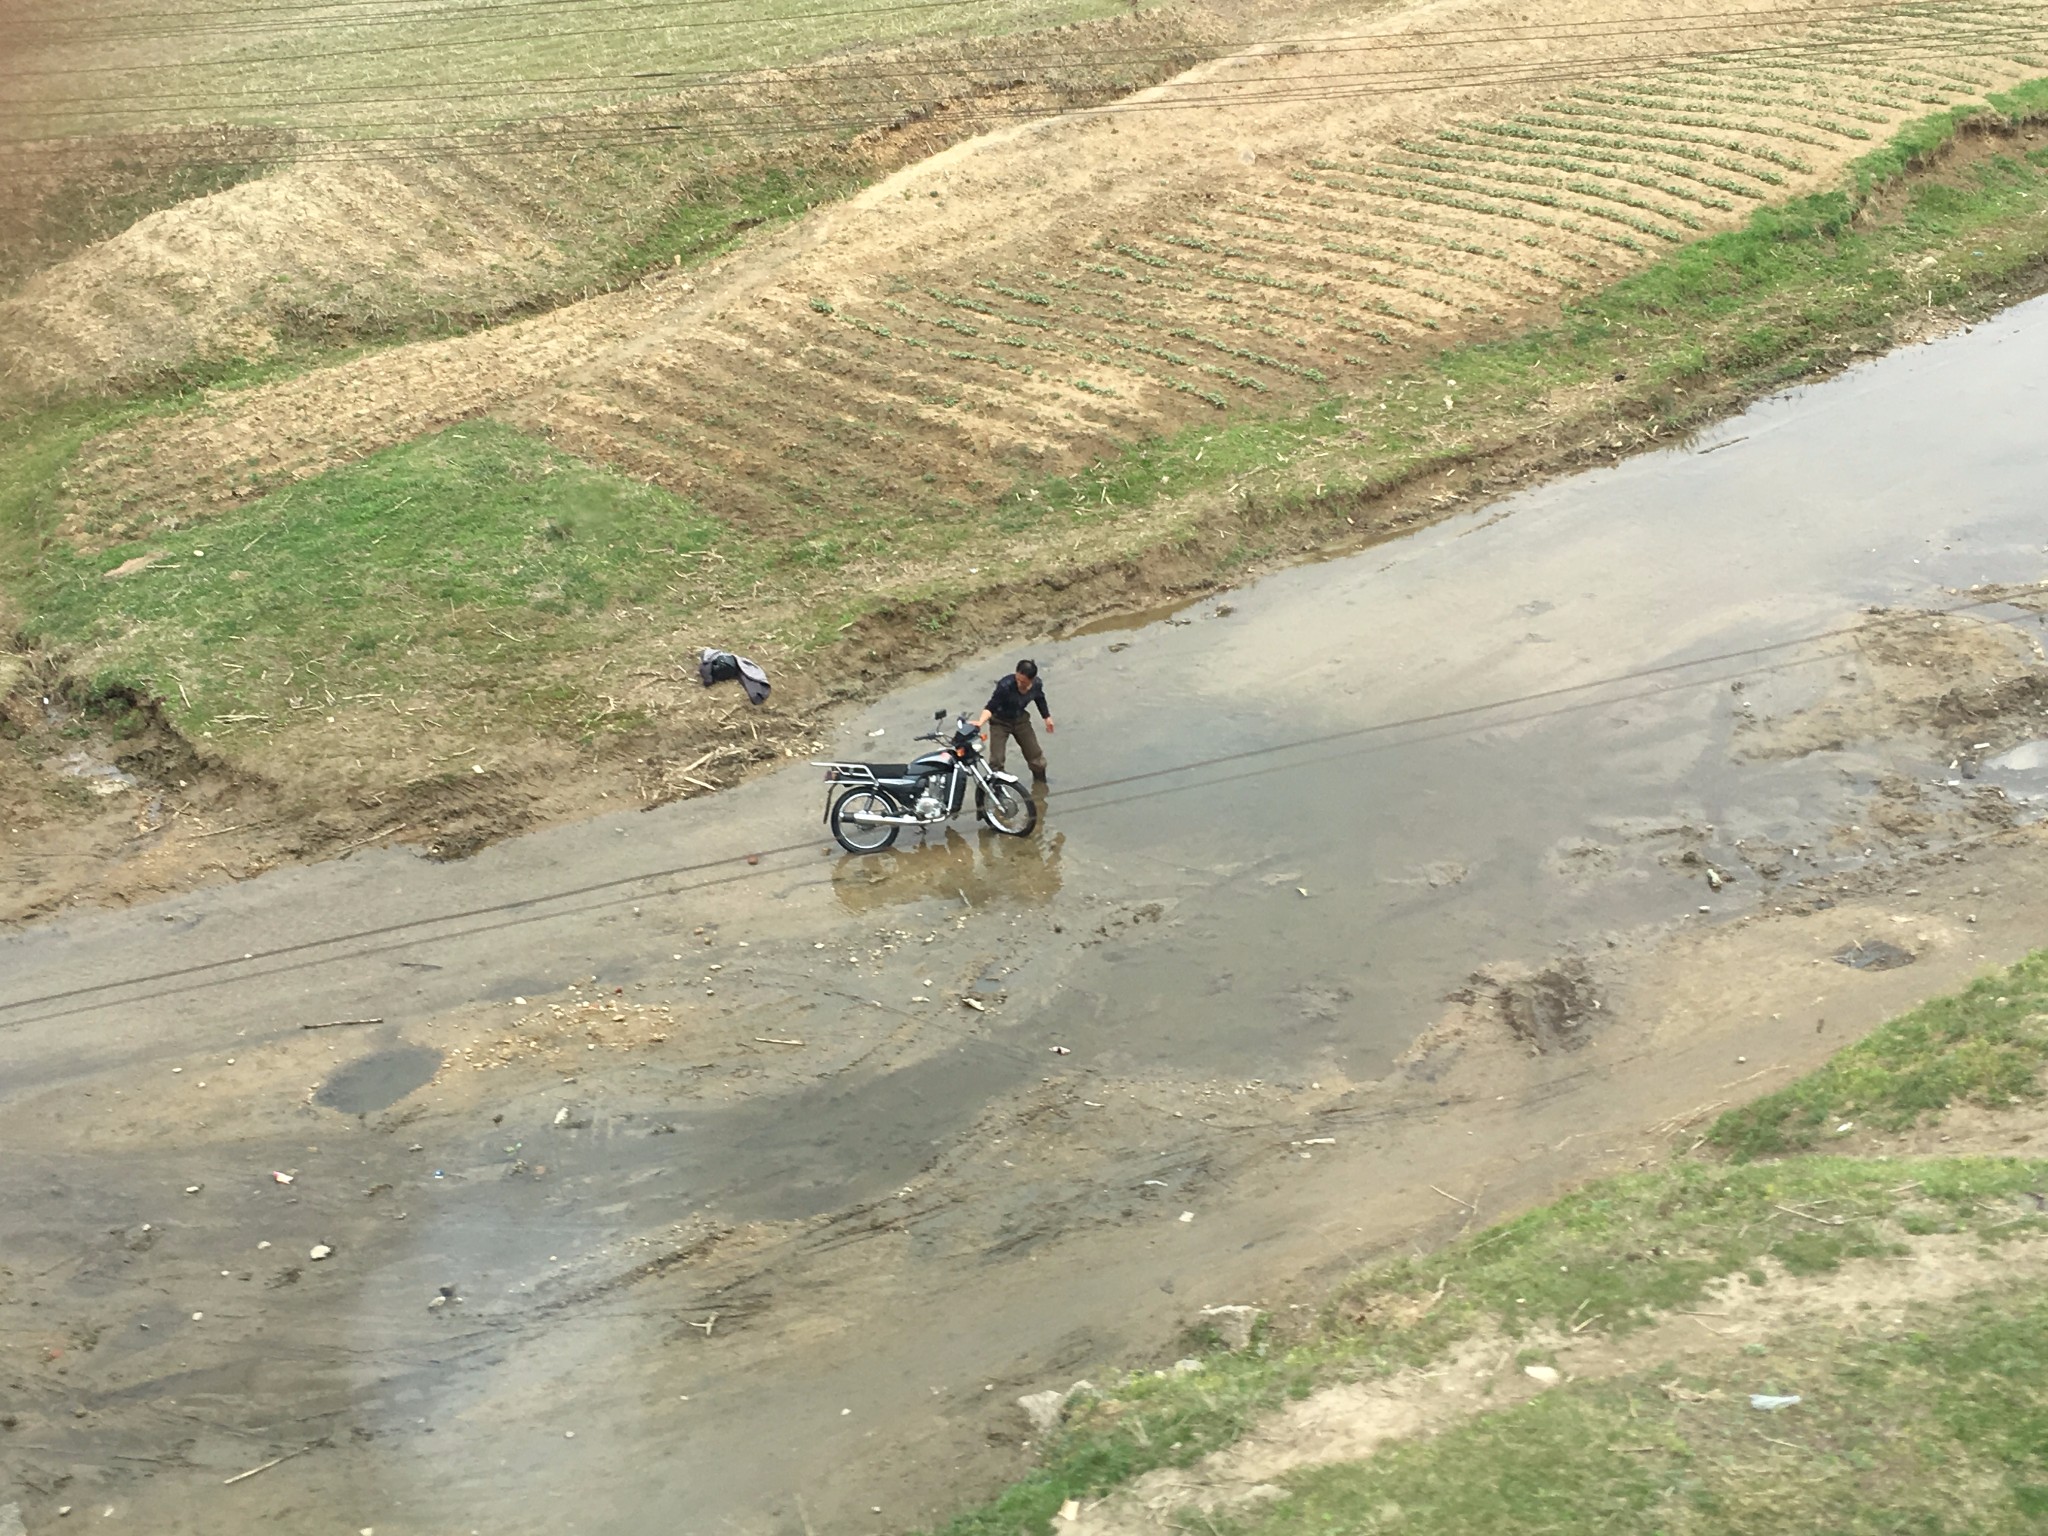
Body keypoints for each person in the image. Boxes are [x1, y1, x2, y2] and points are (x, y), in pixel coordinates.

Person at [973, 658, 1054, 783]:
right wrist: (980, 722)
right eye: (1018, 680)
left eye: (1024, 682)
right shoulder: (1005, 686)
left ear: (1031, 680)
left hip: (1020, 720)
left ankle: (1040, 783)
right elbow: (991, 706)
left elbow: (1040, 699)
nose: (1020, 684)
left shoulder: (1037, 685)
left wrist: (1047, 717)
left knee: (1036, 756)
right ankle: (997, 789)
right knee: (997, 760)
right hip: (1000, 722)